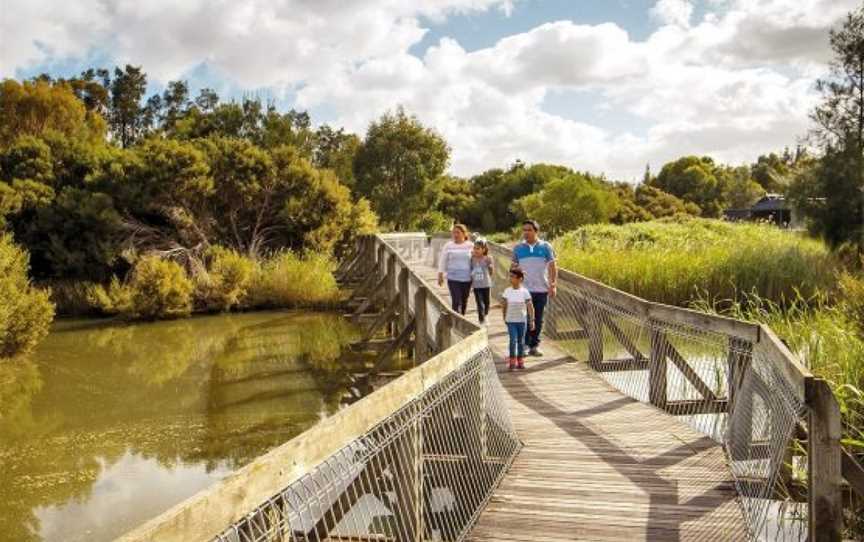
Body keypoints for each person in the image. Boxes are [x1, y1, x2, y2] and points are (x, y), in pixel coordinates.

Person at [511, 219, 557, 356]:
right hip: (523, 290)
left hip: (541, 289)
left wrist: (553, 284)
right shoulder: (518, 248)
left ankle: (534, 345)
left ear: (536, 231)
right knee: (524, 317)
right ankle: (524, 345)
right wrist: (516, 269)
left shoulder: (546, 247)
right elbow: (512, 268)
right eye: (524, 230)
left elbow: (553, 266)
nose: (526, 232)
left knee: (538, 318)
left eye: (529, 230)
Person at [500, 268, 534, 371]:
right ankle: (512, 362)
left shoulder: (525, 292)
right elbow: (504, 305)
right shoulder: (507, 291)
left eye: (513, 277)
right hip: (511, 321)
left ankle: (520, 361)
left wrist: (532, 320)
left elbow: (530, 307)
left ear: (520, 279)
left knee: (521, 341)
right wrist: (504, 316)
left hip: (522, 321)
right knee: (512, 340)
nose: (510, 279)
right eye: (510, 276)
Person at [437, 224, 474, 315]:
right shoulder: (448, 245)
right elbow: (442, 260)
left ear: (464, 234)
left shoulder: (470, 245)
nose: (455, 235)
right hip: (453, 278)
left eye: (458, 232)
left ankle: (462, 318)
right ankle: (456, 322)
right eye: (453, 233)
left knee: (464, 301)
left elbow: (476, 261)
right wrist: (440, 274)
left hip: (467, 278)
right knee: (456, 300)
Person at [470, 238, 494, 324]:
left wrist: (490, 267)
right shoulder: (472, 259)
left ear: (484, 249)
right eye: (474, 248)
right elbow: (470, 270)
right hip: (477, 286)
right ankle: (481, 320)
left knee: (487, 303)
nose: (476, 250)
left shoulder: (487, 258)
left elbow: (491, 272)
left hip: (486, 284)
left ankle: (486, 315)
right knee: (480, 303)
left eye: (478, 248)